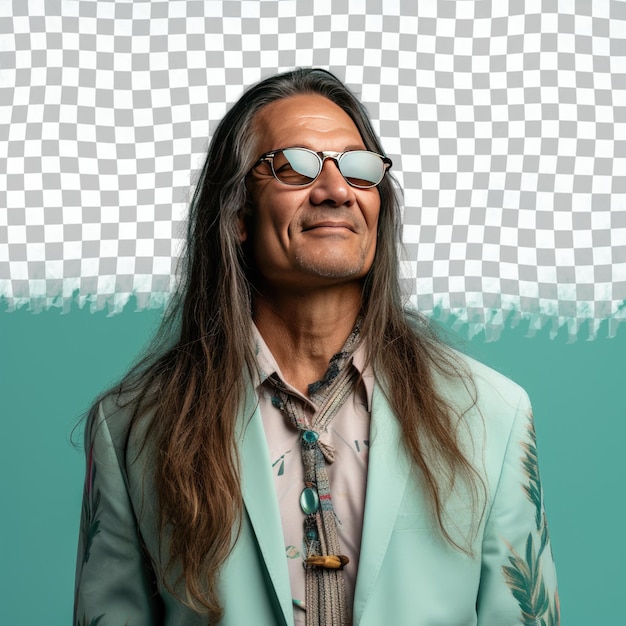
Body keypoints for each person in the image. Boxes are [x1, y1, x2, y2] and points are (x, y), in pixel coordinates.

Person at [74, 68, 559, 626]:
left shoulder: (491, 417)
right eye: (295, 167)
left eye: (358, 169)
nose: (335, 191)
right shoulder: (136, 427)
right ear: (235, 214)